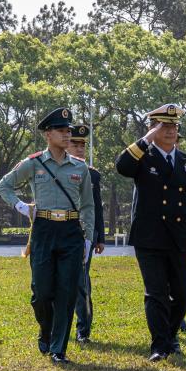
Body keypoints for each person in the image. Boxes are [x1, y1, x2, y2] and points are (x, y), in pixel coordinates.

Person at [0, 107, 95, 364]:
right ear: (48, 134)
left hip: (71, 233)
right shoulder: (34, 163)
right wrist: (21, 207)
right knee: (41, 292)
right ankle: (45, 330)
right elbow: (4, 185)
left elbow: (88, 205)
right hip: (43, 229)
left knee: (66, 292)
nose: (67, 135)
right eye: (61, 131)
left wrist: (88, 239)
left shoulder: (80, 168)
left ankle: (58, 348)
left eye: (68, 131)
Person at [114, 104, 186, 361]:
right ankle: (160, 345)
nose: (170, 131)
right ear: (153, 128)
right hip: (149, 237)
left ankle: (169, 336)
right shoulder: (142, 158)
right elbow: (122, 166)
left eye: (174, 126)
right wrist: (146, 139)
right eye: (163, 126)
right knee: (156, 292)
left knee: (183, 292)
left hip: (178, 236)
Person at [66, 124, 105, 344]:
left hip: (86, 234)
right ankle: (60, 327)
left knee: (81, 281)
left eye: (82, 145)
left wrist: (100, 238)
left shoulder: (92, 174)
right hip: (62, 229)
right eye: (75, 144)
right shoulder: (54, 169)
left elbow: (96, 207)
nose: (80, 149)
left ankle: (83, 328)